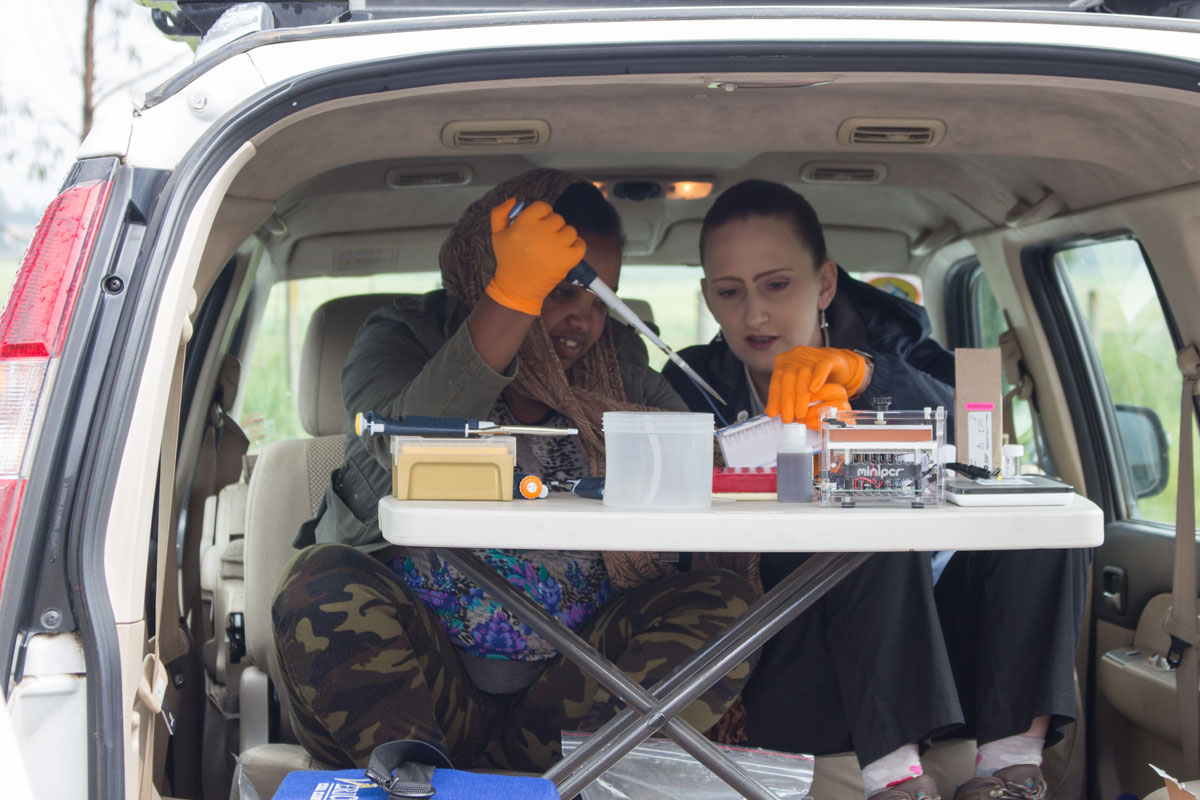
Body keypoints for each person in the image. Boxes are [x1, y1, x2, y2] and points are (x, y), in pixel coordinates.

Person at [271, 169, 757, 774]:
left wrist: (795, 415)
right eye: (559, 290)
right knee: (320, 581)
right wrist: (512, 298)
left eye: (599, 298)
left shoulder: (618, 367)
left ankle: (566, 781)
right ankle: (417, 786)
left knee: (726, 605)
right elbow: (408, 447)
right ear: (490, 271)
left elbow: (700, 460)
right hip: (416, 688)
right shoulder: (403, 339)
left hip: (568, 702)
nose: (583, 321)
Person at [664, 179, 1089, 800]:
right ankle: (896, 781)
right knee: (869, 515)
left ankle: (1011, 766)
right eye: (731, 293)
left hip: (939, 639)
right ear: (708, 297)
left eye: (777, 285)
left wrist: (867, 377)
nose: (754, 315)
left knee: (1037, 512)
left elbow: (979, 431)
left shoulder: (896, 350)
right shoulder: (688, 385)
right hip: (795, 640)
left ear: (826, 285)